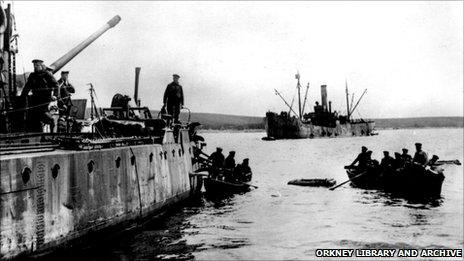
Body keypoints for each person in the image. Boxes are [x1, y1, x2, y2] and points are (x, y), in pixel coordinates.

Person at [20, 59, 58, 132]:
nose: (35, 67)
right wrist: (22, 97)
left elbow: (56, 85)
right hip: (35, 99)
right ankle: (36, 133)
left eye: (37, 65)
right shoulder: (32, 75)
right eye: (34, 65)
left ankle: (51, 133)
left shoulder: (47, 74)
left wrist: (56, 95)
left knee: (42, 115)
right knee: (33, 117)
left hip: (45, 99)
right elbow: (27, 87)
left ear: (41, 66)